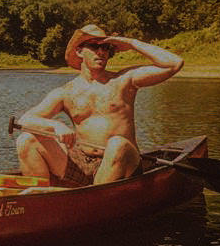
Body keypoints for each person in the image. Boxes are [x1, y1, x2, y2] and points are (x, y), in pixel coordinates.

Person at [16, 24, 183, 186]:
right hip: (83, 163)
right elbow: (25, 120)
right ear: (79, 51)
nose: (101, 52)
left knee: (117, 143)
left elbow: (174, 63)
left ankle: (94, 200)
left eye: (106, 48)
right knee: (26, 140)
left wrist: (132, 43)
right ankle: (42, 199)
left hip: (124, 162)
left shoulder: (124, 80)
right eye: (94, 46)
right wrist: (55, 126)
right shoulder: (65, 92)